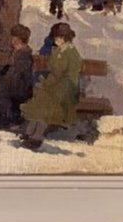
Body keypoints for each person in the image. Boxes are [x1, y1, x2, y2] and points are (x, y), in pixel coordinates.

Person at [19, 22, 82, 150]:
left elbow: (64, 75)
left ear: (65, 38)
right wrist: (45, 82)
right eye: (55, 37)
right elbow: (53, 72)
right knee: (39, 96)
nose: (56, 40)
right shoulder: (58, 50)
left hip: (66, 88)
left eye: (59, 37)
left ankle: (37, 137)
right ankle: (30, 132)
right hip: (56, 84)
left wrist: (47, 83)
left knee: (45, 101)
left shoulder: (71, 53)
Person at [0, 24, 34, 132]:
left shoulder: (24, 55)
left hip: (20, 90)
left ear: (19, 39)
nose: (12, 40)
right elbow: (7, 71)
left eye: (14, 37)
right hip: (13, 85)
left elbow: (14, 77)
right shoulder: (16, 52)